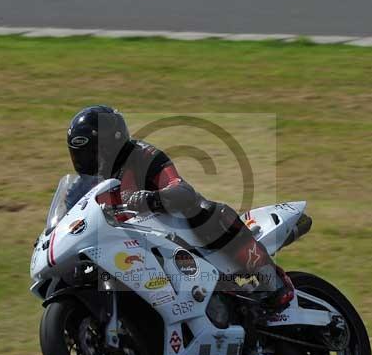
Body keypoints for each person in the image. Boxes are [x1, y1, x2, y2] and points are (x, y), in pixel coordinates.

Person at [66, 105, 294, 313]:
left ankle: (271, 279)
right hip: (125, 249)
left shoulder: (141, 156)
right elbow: (69, 222)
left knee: (207, 211)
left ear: (110, 143)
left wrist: (152, 198)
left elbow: (181, 189)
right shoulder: (81, 187)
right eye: (80, 153)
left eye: (91, 150)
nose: (85, 159)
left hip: (173, 235)